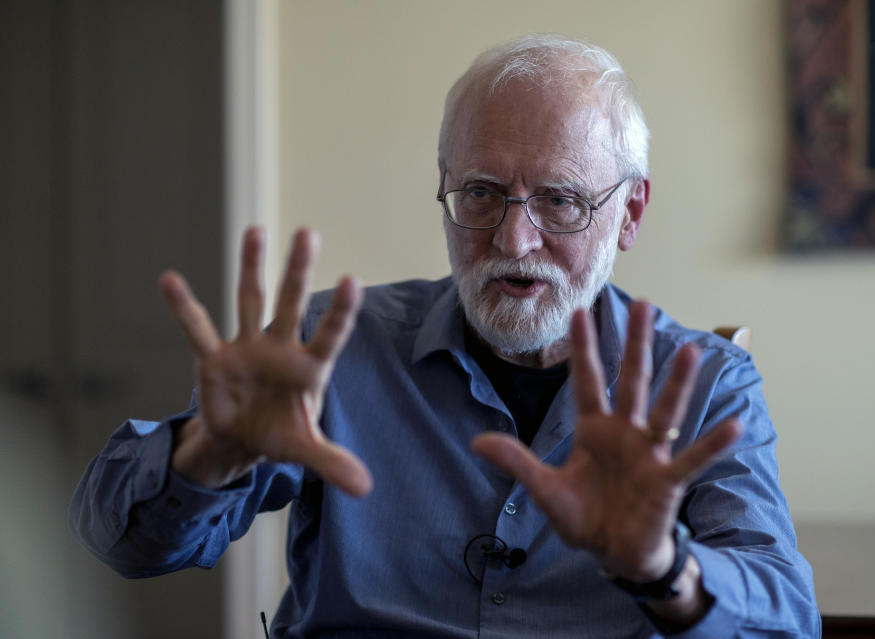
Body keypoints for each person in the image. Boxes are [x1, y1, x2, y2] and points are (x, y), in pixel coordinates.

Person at [70, 35, 819, 638]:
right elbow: (121, 545)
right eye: (482, 193)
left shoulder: (704, 381)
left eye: (560, 201)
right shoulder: (329, 347)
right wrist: (210, 453)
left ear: (629, 213)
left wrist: (665, 568)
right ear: (444, 188)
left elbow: (787, 618)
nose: (514, 238)